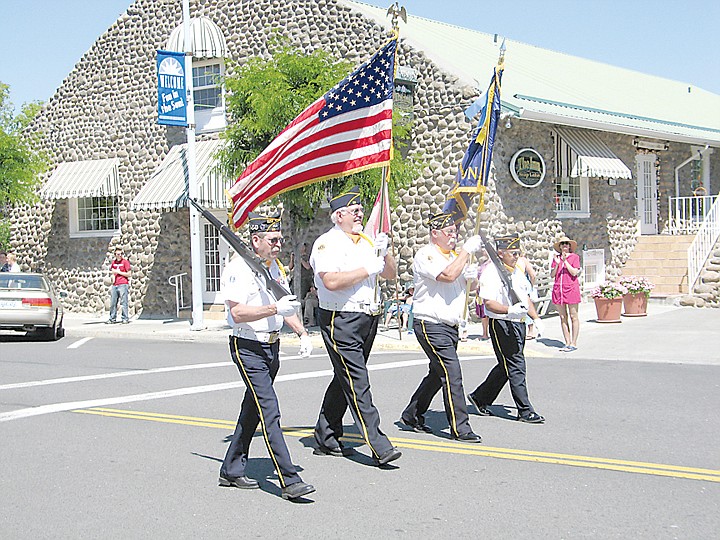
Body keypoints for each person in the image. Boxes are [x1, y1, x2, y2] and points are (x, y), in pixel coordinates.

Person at [219, 212, 315, 501]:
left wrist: (302, 332)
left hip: (271, 347)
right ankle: (289, 479)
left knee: (252, 410)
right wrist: (275, 310)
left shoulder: (274, 269)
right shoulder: (238, 268)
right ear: (255, 240)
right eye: (272, 240)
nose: (278, 244)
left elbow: (284, 306)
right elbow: (237, 314)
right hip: (248, 346)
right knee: (269, 410)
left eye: (280, 239)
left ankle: (231, 469)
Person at [309, 186, 402, 466]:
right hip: (341, 318)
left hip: (367, 317)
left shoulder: (365, 241)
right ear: (338, 216)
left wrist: (385, 253)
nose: (360, 214)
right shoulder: (327, 243)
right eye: (355, 210)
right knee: (357, 380)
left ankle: (325, 436)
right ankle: (378, 443)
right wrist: (367, 269)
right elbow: (331, 281)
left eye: (361, 209)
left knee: (345, 377)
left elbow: (389, 274)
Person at [399, 212, 484, 441]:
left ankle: (412, 414)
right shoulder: (426, 254)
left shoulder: (455, 256)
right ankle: (460, 428)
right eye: (449, 232)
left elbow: (467, 286)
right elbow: (447, 276)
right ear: (434, 233)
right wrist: (466, 252)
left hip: (450, 325)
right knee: (452, 372)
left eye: (456, 232)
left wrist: (472, 276)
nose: (453, 236)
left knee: (438, 374)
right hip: (430, 323)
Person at [467, 235, 545, 424]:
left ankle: (480, 397)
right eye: (513, 253)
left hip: (518, 323)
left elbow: (525, 297)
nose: (516, 256)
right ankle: (525, 410)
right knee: (516, 365)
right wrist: (509, 310)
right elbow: (489, 304)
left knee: (506, 366)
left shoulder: (516, 270)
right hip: (501, 323)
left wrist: (535, 318)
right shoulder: (491, 272)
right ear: (500, 253)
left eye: (518, 253)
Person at [551, 236, 581, 352]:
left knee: (574, 316)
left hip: (571, 289)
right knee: (563, 317)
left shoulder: (574, 257)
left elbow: (574, 272)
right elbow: (552, 275)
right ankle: (567, 341)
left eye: (566, 244)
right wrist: (558, 264)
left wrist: (565, 262)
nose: (564, 245)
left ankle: (574, 342)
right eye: (562, 244)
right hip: (559, 289)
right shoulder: (556, 258)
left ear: (569, 246)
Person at [516, 252, 543, 339]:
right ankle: (529, 330)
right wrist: (531, 285)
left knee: (524, 307)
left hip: (520, 286)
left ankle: (530, 331)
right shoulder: (523, 260)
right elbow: (532, 275)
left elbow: (532, 275)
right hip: (524, 285)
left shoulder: (521, 260)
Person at [106, 248, 131, 324]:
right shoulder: (114, 263)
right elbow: (113, 272)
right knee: (113, 302)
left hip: (123, 284)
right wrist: (113, 278)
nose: (119, 255)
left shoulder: (125, 262)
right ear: (115, 255)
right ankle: (112, 318)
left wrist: (119, 272)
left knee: (124, 302)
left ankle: (125, 318)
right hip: (115, 284)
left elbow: (129, 274)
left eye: (120, 254)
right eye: (117, 254)